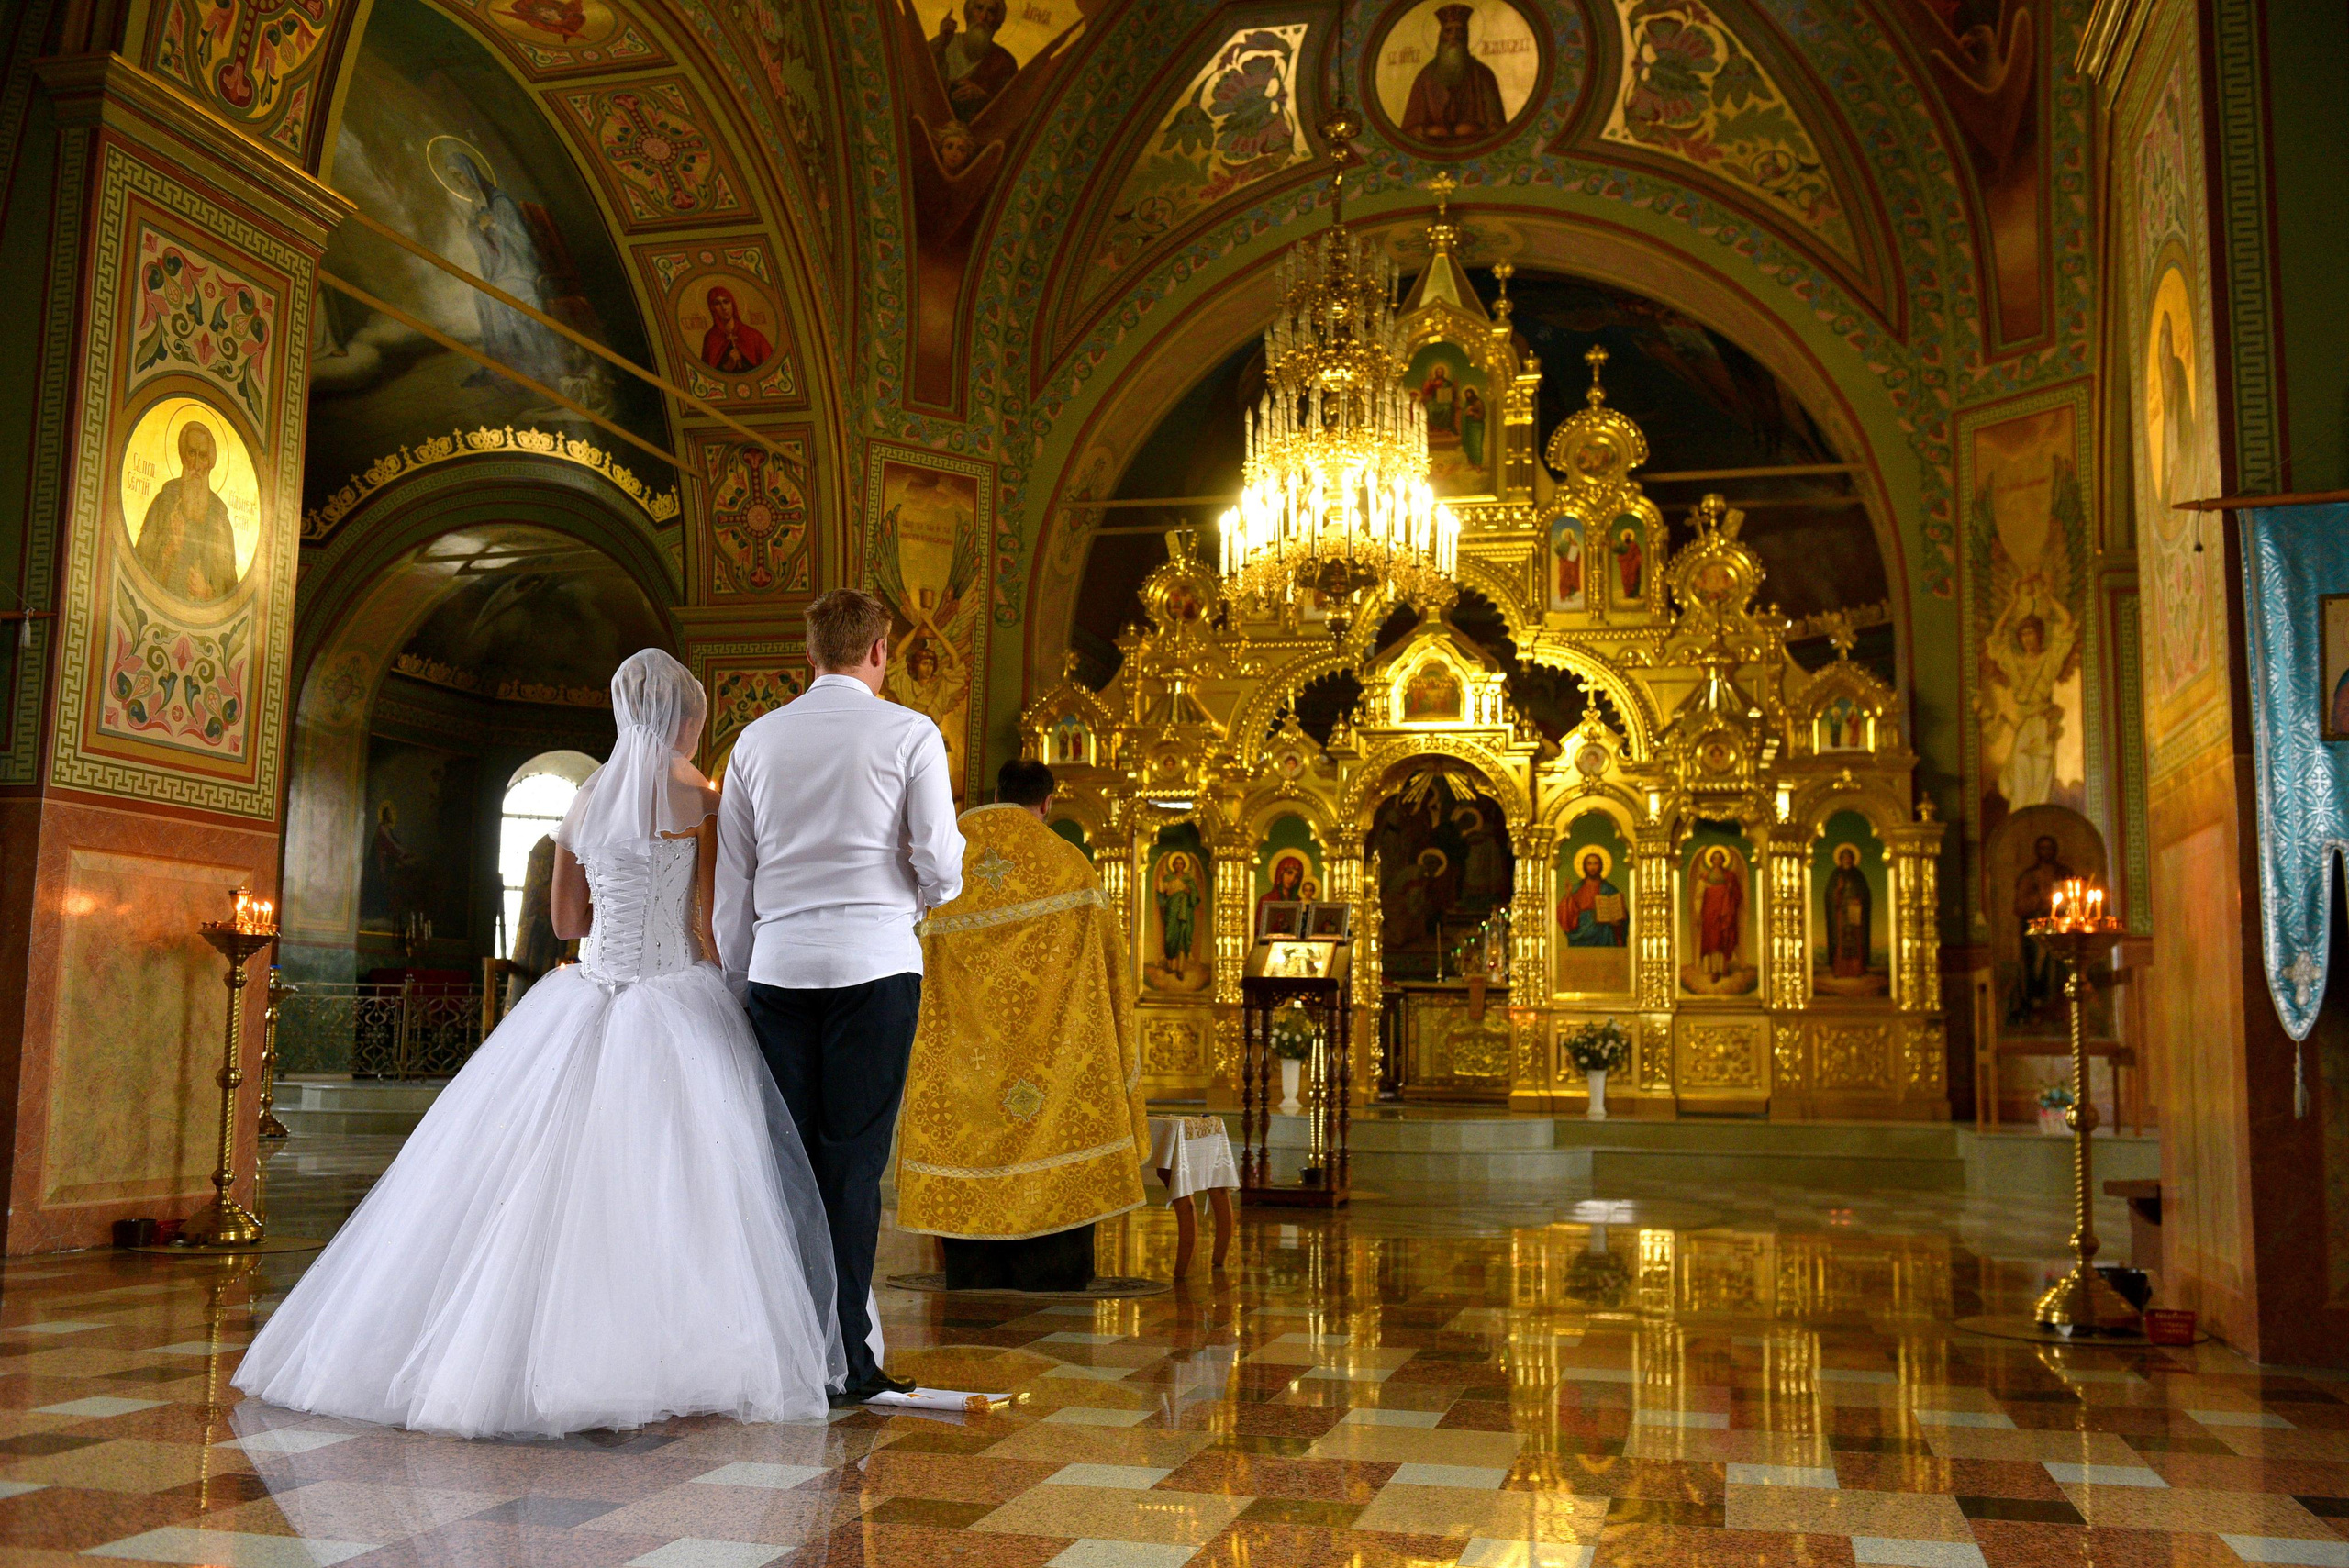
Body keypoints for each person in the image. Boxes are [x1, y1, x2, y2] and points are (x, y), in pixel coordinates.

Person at [233, 651, 841, 1438]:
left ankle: (521, 1350)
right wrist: (729, 981)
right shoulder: (700, 795)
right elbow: (712, 921)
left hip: (585, 993)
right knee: (679, 1179)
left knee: (535, 1179)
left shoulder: (585, 802)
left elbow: (564, 924)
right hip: (674, 998)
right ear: (684, 718)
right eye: (694, 719)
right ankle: (667, 1346)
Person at [718, 588, 965, 1405]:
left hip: (780, 970)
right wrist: (918, 898)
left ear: (810, 655)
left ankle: (789, 1352)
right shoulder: (910, 732)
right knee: (853, 1167)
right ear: (881, 652)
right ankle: (848, 1362)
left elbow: (736, 882)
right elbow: (940, 858)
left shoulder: (754, 739)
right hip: (875, 967)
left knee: (787, 1167)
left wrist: (740, 976)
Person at [896, 759, 1150, 1290]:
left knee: (968, 1132)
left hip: (964, 1055)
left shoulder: (947, 853)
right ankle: (1051, 1268)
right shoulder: (1068, 865)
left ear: (996, 791)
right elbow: (1109, 968)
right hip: (1051, 1061)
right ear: (1047, 802)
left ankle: (975, 1269)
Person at [135, 421, 239, 603]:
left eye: (204, 456)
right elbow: (137, 573)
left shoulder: (219, 518)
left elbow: (231, 595)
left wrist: (207, 592)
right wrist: (170, 550)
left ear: (210, 463)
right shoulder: (164, 503)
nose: (197, 465)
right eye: (192, 453)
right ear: (183, 457)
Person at [1400, 4, 1508, 145]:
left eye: (1459, 31)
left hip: (1476, 146)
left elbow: (1497, 126)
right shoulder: (1425, 77)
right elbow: (1411, 128)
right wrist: (1427, 131)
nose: (1454, 36)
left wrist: (1474, 129)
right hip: (1434, 149)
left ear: (1466, 36)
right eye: (1448, 31)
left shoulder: (1483, 74)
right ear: (1440, 36)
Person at [1556, 850, 1627, 947]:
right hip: (1581, 933)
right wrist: (1568, 896)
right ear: (1584, 866)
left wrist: (1617, 921)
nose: (1592, 867)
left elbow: (1623, 916)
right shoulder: (1577, 889)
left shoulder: (1609, 889)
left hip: (1604, 934)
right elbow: (1565, 914)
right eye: (1589, 864)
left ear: (1601, 866)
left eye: (1595, 864)